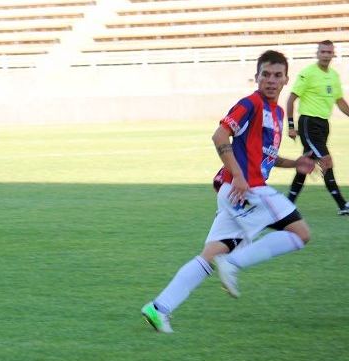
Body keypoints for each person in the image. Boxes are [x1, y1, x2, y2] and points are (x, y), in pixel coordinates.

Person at [141, 50, 316, 333]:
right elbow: (220, 136)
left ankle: (159, 308)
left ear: (286, 79)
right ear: (256, 77)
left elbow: (265, 155)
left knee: (209, 257)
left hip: (236, 192)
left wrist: (295, 163)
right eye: (265, 75)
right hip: (247, 190)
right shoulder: (250, 104)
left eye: (277, 75)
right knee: (301, 233)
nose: (271, 80)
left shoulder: (278, 112)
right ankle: (234, 263)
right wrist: (238, 175)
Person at [286, 40, 349, 215]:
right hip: (308, 123)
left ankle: (287, 202)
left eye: (329, 52)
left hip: (323, 125)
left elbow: (340, 101)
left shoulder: (334, 76)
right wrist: (291, 125)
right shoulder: (308, 73)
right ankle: (342, 204)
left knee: (306, 163)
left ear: (333, 54)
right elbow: (291, 99)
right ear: (317, 53)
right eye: (323, 52)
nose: (326, 55)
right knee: (326, 160)